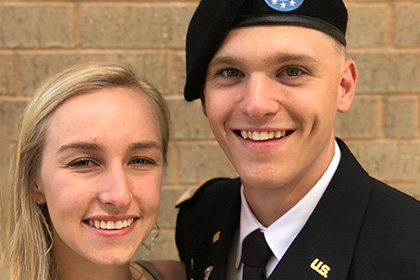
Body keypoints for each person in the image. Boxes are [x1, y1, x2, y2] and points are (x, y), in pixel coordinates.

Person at [175, 0, 420, 279]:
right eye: (230, 73)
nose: (256, 105)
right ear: (205, 98)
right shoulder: (201, 217)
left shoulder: (410, 249)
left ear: (343, 87)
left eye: (292, 71)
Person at [0, 62, 185, 280]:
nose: (119, 196)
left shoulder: (184, 275)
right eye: (83, 163)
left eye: (140, 160)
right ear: (34, 181)